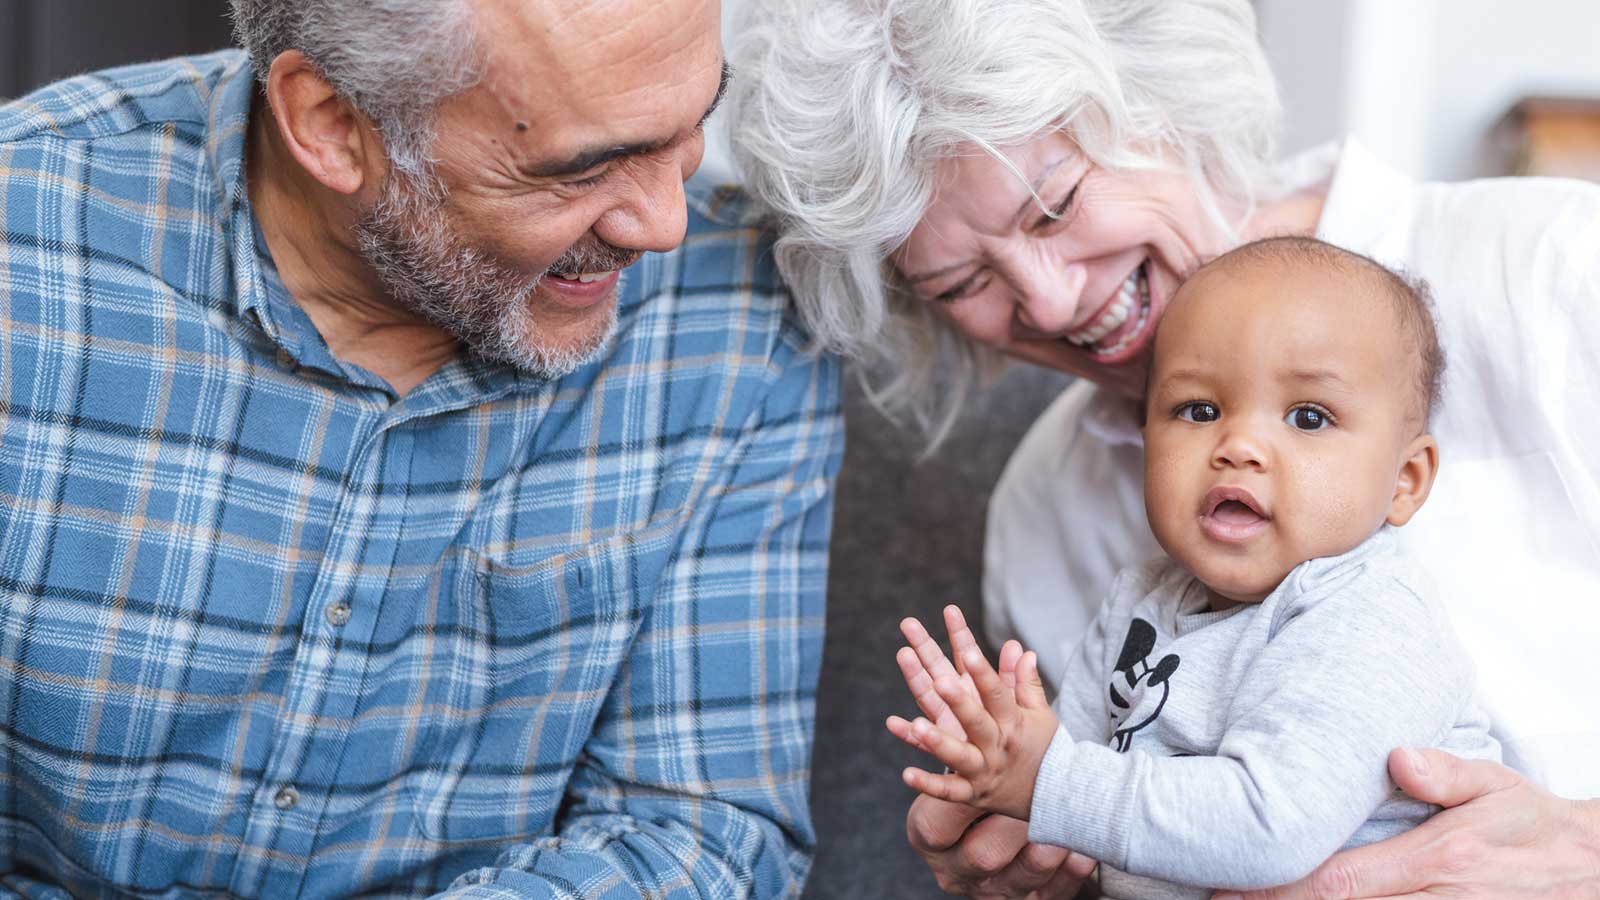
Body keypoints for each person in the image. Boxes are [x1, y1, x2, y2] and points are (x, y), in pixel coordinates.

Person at [728, 0, 1600, 896]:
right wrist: (1040, 844)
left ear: (1162, 103)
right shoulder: (1043, 512)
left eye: (1055, 206)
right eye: (963, 282)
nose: (1051, 302)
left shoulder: (1559, 271)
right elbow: (1106, 801)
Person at [0, 0, 841, 896]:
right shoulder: (27, 246)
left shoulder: (736, 315)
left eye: (691, 126)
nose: (665, 224)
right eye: (581, 169)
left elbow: (698, 835)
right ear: (331, 125)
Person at [888, 237, 1501, 899]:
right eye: (1198, 411)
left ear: (1406, 481)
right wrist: (996, 764)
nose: (1238, 446)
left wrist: (1046, 781)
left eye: (1308, 417)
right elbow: (1070, 788)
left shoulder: (1373, 619)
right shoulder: (1140, 601)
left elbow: (1268, 825)